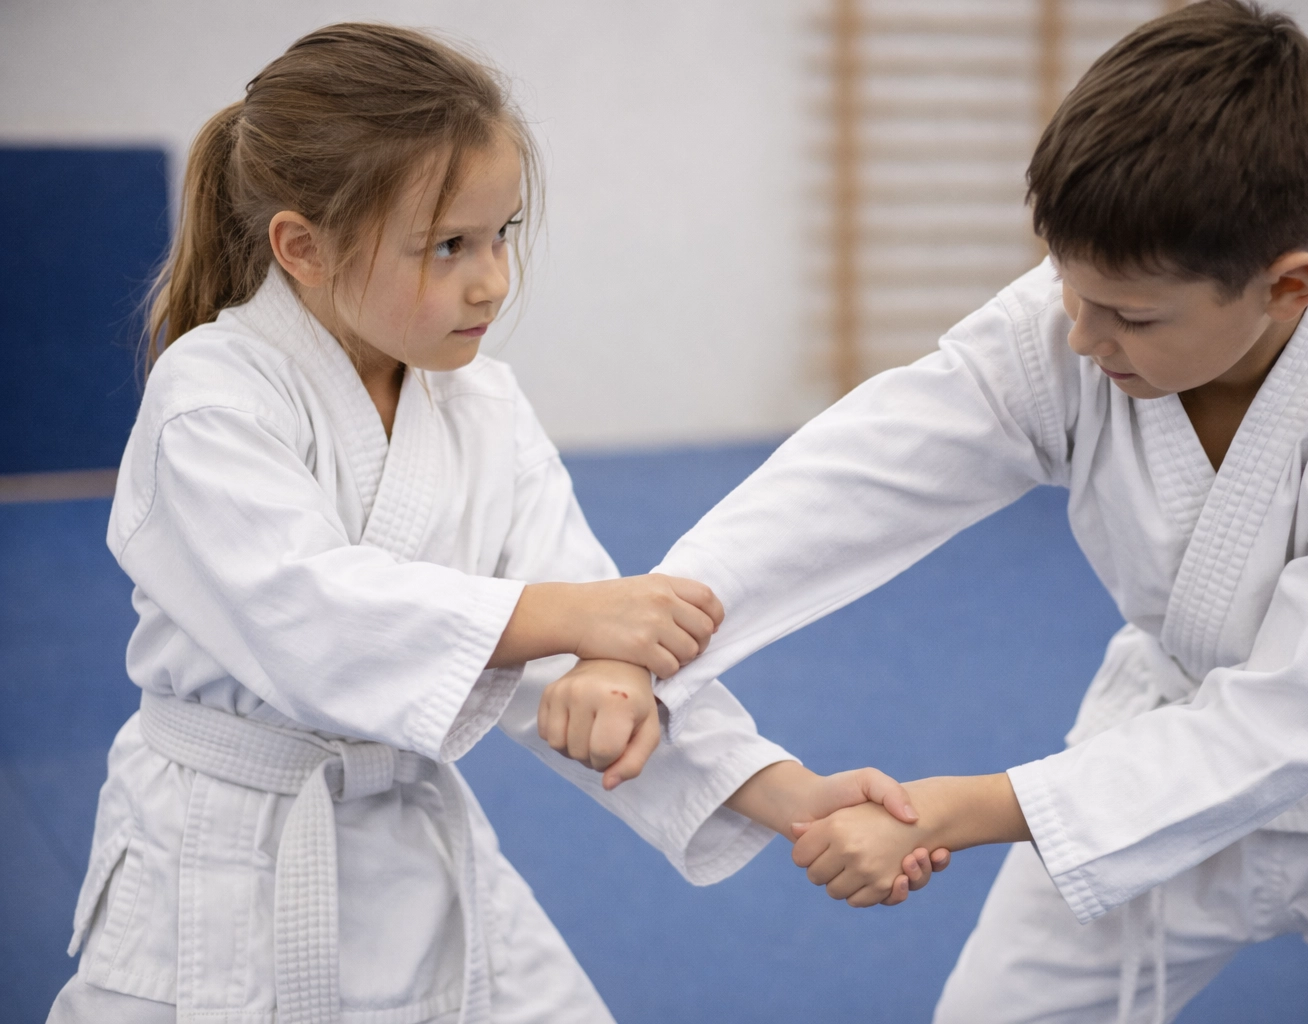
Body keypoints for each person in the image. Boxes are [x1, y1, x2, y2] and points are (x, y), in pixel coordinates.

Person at [563, 2, 1308, 1022]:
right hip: (1155, 742)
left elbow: (1290, 718)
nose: (1081, 337)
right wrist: (645, 631)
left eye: (1130, 316)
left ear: (1287, 287)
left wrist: (964, 808)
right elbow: (855, 475)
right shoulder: (1066, 322)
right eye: (1070, 289)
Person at [48, 24, 933, 1024]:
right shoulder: (211, 397)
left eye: (501, 234)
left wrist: (776, 788)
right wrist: (570, 616)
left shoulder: (482, 406)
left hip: (414, 848)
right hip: (223, 870)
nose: (493, 280)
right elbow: (311, 613)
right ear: (302, 248)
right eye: (448, 247)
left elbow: (586, 653)